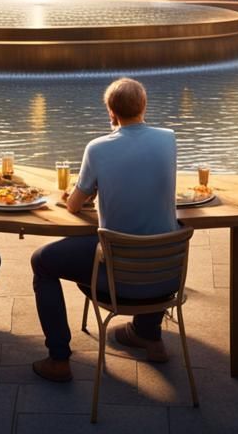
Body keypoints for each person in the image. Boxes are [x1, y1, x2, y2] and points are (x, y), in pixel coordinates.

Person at [30, 77, 177, 382]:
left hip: (116, 280)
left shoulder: (97, 148)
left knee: (41, 262)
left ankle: (58, 359)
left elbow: (74, 205)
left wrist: (83, 194)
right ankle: (150, 336)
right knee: (152, 236)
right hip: (166, 277)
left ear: (111, 112)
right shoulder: (168, 139)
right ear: (144, 105)